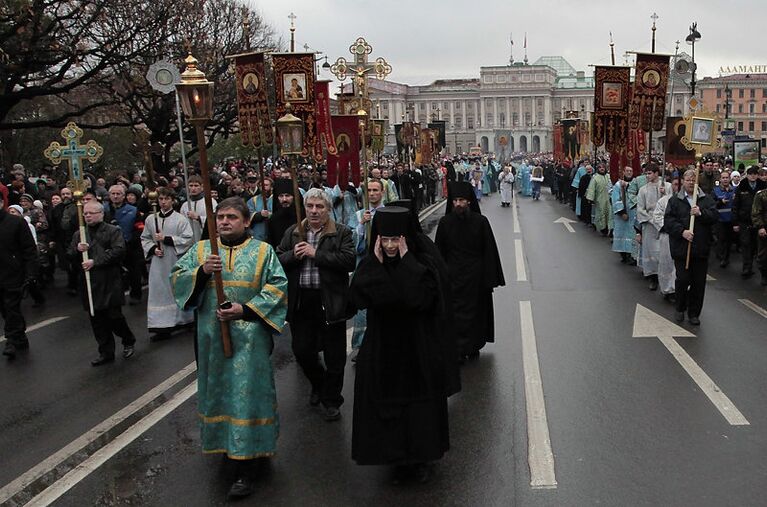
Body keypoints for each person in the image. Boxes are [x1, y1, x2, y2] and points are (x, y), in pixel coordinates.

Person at [170, 197, 288, 499]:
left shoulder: (263, 252)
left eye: (232, 217)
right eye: (220, 217)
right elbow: (178, 279)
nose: (224, 222)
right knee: (220, 395)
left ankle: (246, 467)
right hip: (212, 341)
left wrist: (244, 310)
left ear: (246, 221)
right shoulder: (202, 251)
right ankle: (229, 448)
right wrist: (201, 272)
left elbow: (277, 287)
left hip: (249, 341)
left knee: (247, 397)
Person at [349, 207, 451, 484]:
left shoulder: (424, 262)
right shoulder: (372, 263)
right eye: (385, 240)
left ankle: (420, 459)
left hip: (417, 346)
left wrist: (406, 261)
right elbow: (358, 297)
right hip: (383, 346)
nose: (391, 246)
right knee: (388, 407)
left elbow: (421, 299)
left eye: (397, 240)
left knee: (418, 409)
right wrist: (374, 264)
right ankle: (394, 458)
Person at [277, 188, 356, 422]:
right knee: (302, 351)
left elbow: (348, 260)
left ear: (328, 209)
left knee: (335, 357)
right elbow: (278, 258)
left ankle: (331, 400)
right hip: (302, 301)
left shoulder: (340, 232)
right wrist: (293, 255)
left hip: (330, 300)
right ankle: (319, 384)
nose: (314, 211)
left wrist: (316, 253)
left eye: (319, 207)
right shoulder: (294, 232)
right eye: (310, 206)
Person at [435, 181, 505, 362]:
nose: (458, 204)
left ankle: (473, 345)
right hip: (453, 276)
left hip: (475, 278)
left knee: (476, 314)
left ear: (469, 202)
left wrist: (489, 278)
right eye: (455, 200)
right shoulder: (445, 223)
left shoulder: (481, 222)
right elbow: (439, 252)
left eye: (462, 200)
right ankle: (458, 349)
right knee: (454, 314)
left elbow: (489, 251)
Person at [70, 200, 136, 365]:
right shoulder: (80, 234)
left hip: (109, 280)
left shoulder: (113, 231)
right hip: (89, 282)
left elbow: (119, 251)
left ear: (100, 214)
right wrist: (77, 250)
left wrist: (95, 261)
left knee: (114, 316)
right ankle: (106, 351)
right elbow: (69, 255)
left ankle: (127, 339)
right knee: (97, 318)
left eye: (91, 213)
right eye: (85, 213)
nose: (88, 216)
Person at [664, 169, 718, 325]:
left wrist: (701, 213)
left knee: (698, 283)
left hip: (700, 249)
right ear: (683, 182)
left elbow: (714, 216)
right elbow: (668, 222)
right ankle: (680, 307)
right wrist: (682, 232)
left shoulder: (706, 199)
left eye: (693, 181)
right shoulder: (675, 201)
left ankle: (694, 312)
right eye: (688, 180)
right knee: (682, 280)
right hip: (682, 249)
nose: (690, 183)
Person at [141, 187, 194, 341]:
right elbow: (145, 238)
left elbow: (188, 238)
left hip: (174, 258)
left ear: (172, 200)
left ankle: (184, 320)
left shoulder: (180, 219)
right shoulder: (151, 219)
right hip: (158, 262)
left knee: (176, 288)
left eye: (166, 199)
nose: (163, 202)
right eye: (160, 199)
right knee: (159, 290)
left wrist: (167, 239)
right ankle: (161, 325)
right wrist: (152, 249)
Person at [0, 199, 38, 359]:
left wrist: (30, 273)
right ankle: (20, 336)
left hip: (13, 273)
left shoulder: (16, 222)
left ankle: (12, 339)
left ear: (1, 203)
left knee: (11, 306)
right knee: (4, 308)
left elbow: (29, 249)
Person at [636, 163, 672, 290]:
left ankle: (667, 283)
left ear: (657, 173)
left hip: (665, 224)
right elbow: (640, 209)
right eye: (646, 173)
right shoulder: (643, 190)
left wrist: (666, 192)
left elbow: (673, 201)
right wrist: (652, 219)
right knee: (651, 252)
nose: (647, 175)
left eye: (650, 173)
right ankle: (653, 277)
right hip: (650, 225)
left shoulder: (667, 186)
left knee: (664, 253)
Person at [732, 166, 766, 279]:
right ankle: (747, 267)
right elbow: (735, 205)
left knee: (758, 246)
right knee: (746, 244)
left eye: (755, 174)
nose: (753, 176)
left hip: (759, 222)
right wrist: (735, 222)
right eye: (751, 174)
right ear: (747, 174)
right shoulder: (742, 186)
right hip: (744, 221)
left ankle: (760, 269)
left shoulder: (763, 186)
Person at [652, 177, 680, 301]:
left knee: (680, 264)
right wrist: (670, 226)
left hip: (681, 236)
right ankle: (668, 290)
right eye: (674, 184)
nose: (677, 187)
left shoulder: (687, 200)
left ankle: (680, 289)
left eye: (679, 184)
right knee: (667, 263)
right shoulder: (663, 201)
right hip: (668, 236)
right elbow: (657, 217)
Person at [180, 175, 217, 243]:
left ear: (202, 187)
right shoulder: (185, 205)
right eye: (191, 186)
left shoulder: (210, 202)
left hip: (206, 238)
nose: (193, 188)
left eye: (196, 185)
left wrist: (199, 218)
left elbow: (215, 220)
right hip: (190, 240)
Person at [267, 178, 303, 247]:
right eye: (281, 196)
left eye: (287, 195)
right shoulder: (273, 219)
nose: (284, 199)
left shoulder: (303, 216)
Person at [612, 166, 637, 264]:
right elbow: (615, 199)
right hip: (623, 216)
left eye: (631, 171)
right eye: (627, 171)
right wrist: (622, 212)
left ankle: (631, 255)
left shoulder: (635, 184)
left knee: (632, 235)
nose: (629, 172)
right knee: (622, 234)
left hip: (633, 214)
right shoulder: (618, 185)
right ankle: (624, 254)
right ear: (623, 172)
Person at [713, 170, 737, 268]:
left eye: (727, 177)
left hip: (731, 220)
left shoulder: (735, 190)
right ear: (720, 179)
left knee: (729, 241)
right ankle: (722, 257)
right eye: (723, 178)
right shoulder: (715, 190)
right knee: (721, 239)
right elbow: (712, 205)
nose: (725, 179)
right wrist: (720, 202)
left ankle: (726, 258)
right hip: (720, 220)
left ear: (729, 179)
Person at [586, 163, 612, 235]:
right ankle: (603, 228)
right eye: (600, 167)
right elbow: (591, 188)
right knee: (601, 213)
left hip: (609, 198)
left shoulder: (609, 176)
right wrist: (590, 198)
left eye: (603, 167)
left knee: (609, 213)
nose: (602, 169)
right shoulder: (595, 178)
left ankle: (609, 227)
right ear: (598, 169)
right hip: (600, 199)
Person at [752, 186, 767, 285]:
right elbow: (756, 212)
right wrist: (760, 226)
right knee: (763, 256)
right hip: (765, 228)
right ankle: (764, 275)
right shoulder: (761, 195)